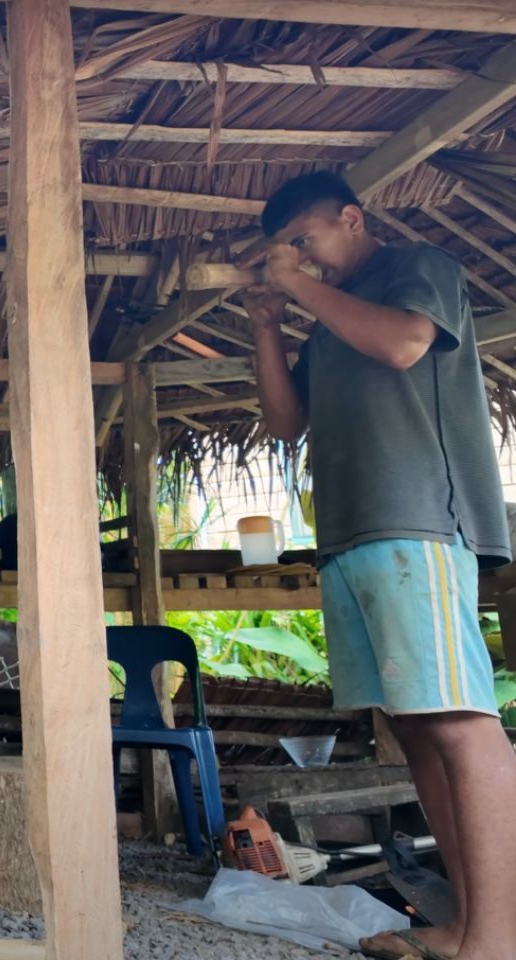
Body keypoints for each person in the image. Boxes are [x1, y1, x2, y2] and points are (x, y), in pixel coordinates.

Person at [246, 171, 516, 960]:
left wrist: (297, 285)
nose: (298, 258)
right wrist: (267, 325)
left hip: (417, 525)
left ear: (352, 219)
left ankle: (498, 939)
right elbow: (285, 422)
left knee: (462, 725)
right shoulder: (331, 319)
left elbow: (402, 345)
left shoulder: (416, 268)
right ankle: (464, 924)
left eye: (305, 240)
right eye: (285, 249)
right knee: (416, 730)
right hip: (351, 537)